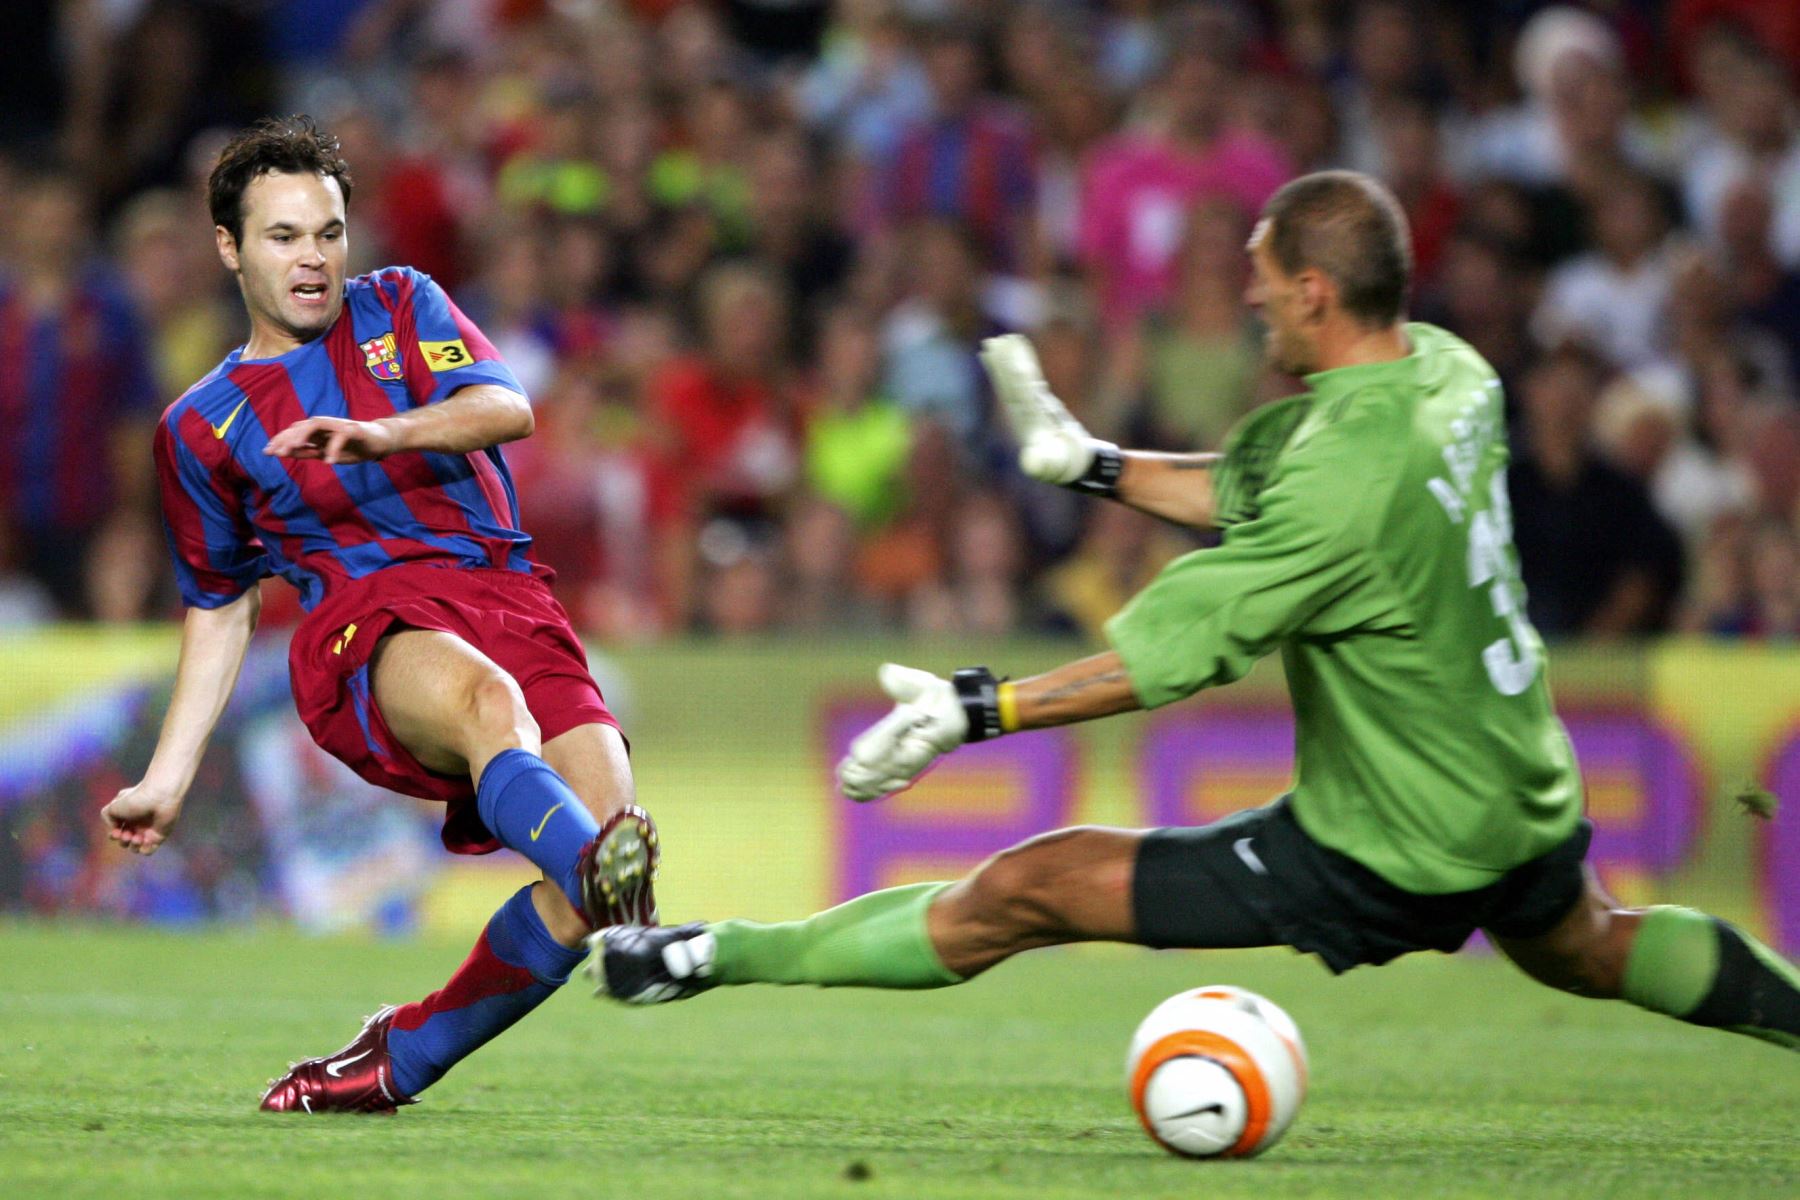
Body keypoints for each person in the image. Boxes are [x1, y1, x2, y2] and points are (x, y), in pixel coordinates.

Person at [593, 171, 1800, 1056]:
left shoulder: (1340, 483)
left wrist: (980, 707)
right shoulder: (1447, 372)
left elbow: (1159, 663)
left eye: (1267, 284)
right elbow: (1250, 485)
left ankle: (712, 954)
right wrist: (1098, 464)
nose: (1252, 301)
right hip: (1515, 784)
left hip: (1391, 844)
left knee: (1028, 886)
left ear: (1318, 291)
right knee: (1589, 941)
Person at [101, 116, 662, 1114]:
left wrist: (380, 435)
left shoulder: (403, 304)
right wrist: (167, 775)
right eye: (283, 236)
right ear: (229, 248)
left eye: (328, 231)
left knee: (597, 856)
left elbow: (505, 406)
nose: (312, 258)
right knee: (494, 712)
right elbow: (221, 608)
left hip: (508, 592)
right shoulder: (199, 427)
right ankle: (640, 921)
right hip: (365, 626)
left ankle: (396, 1058)